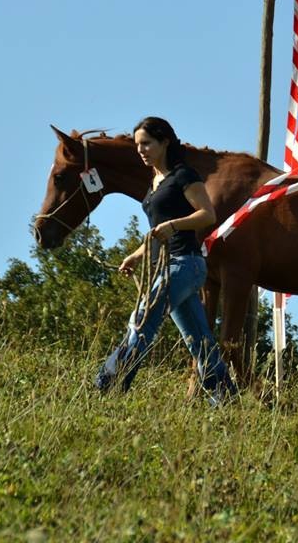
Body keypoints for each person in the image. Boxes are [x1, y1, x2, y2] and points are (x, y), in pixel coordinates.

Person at [95, 116, 235, 401]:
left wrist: (174, 225)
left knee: (143, 318)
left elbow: (207, 214)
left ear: (164, 142)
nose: (141, 150)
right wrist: (136, 256)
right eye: (137, 145)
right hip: (168, 266)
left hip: (186, 264)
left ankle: (110, 384)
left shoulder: (183, 176)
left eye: (146, 143)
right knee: (198, 339)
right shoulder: (155, 183)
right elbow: (157, 232)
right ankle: (225, 397)